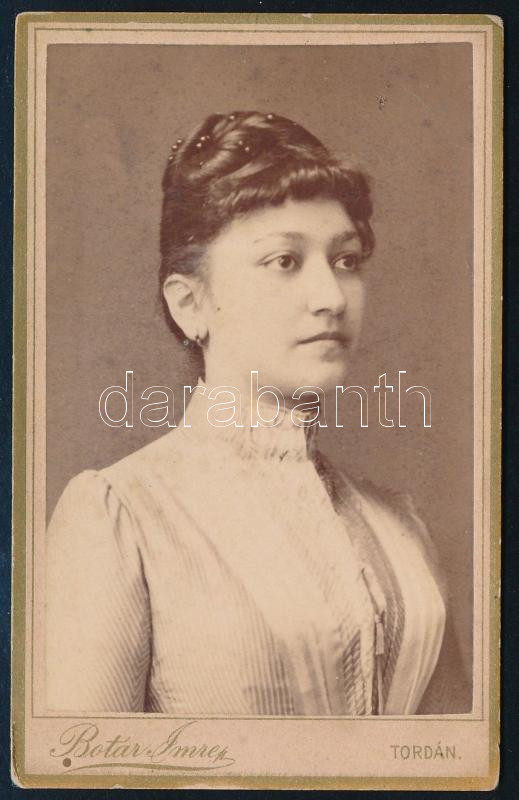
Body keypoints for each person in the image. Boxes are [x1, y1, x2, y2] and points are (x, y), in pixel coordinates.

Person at [46, 110, 471, 715]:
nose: (331, 297)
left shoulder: (400, 526)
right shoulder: (123, 517)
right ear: (190, 304)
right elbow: (82, 762)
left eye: (346, 260)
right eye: (284, 261)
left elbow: (454, 754)